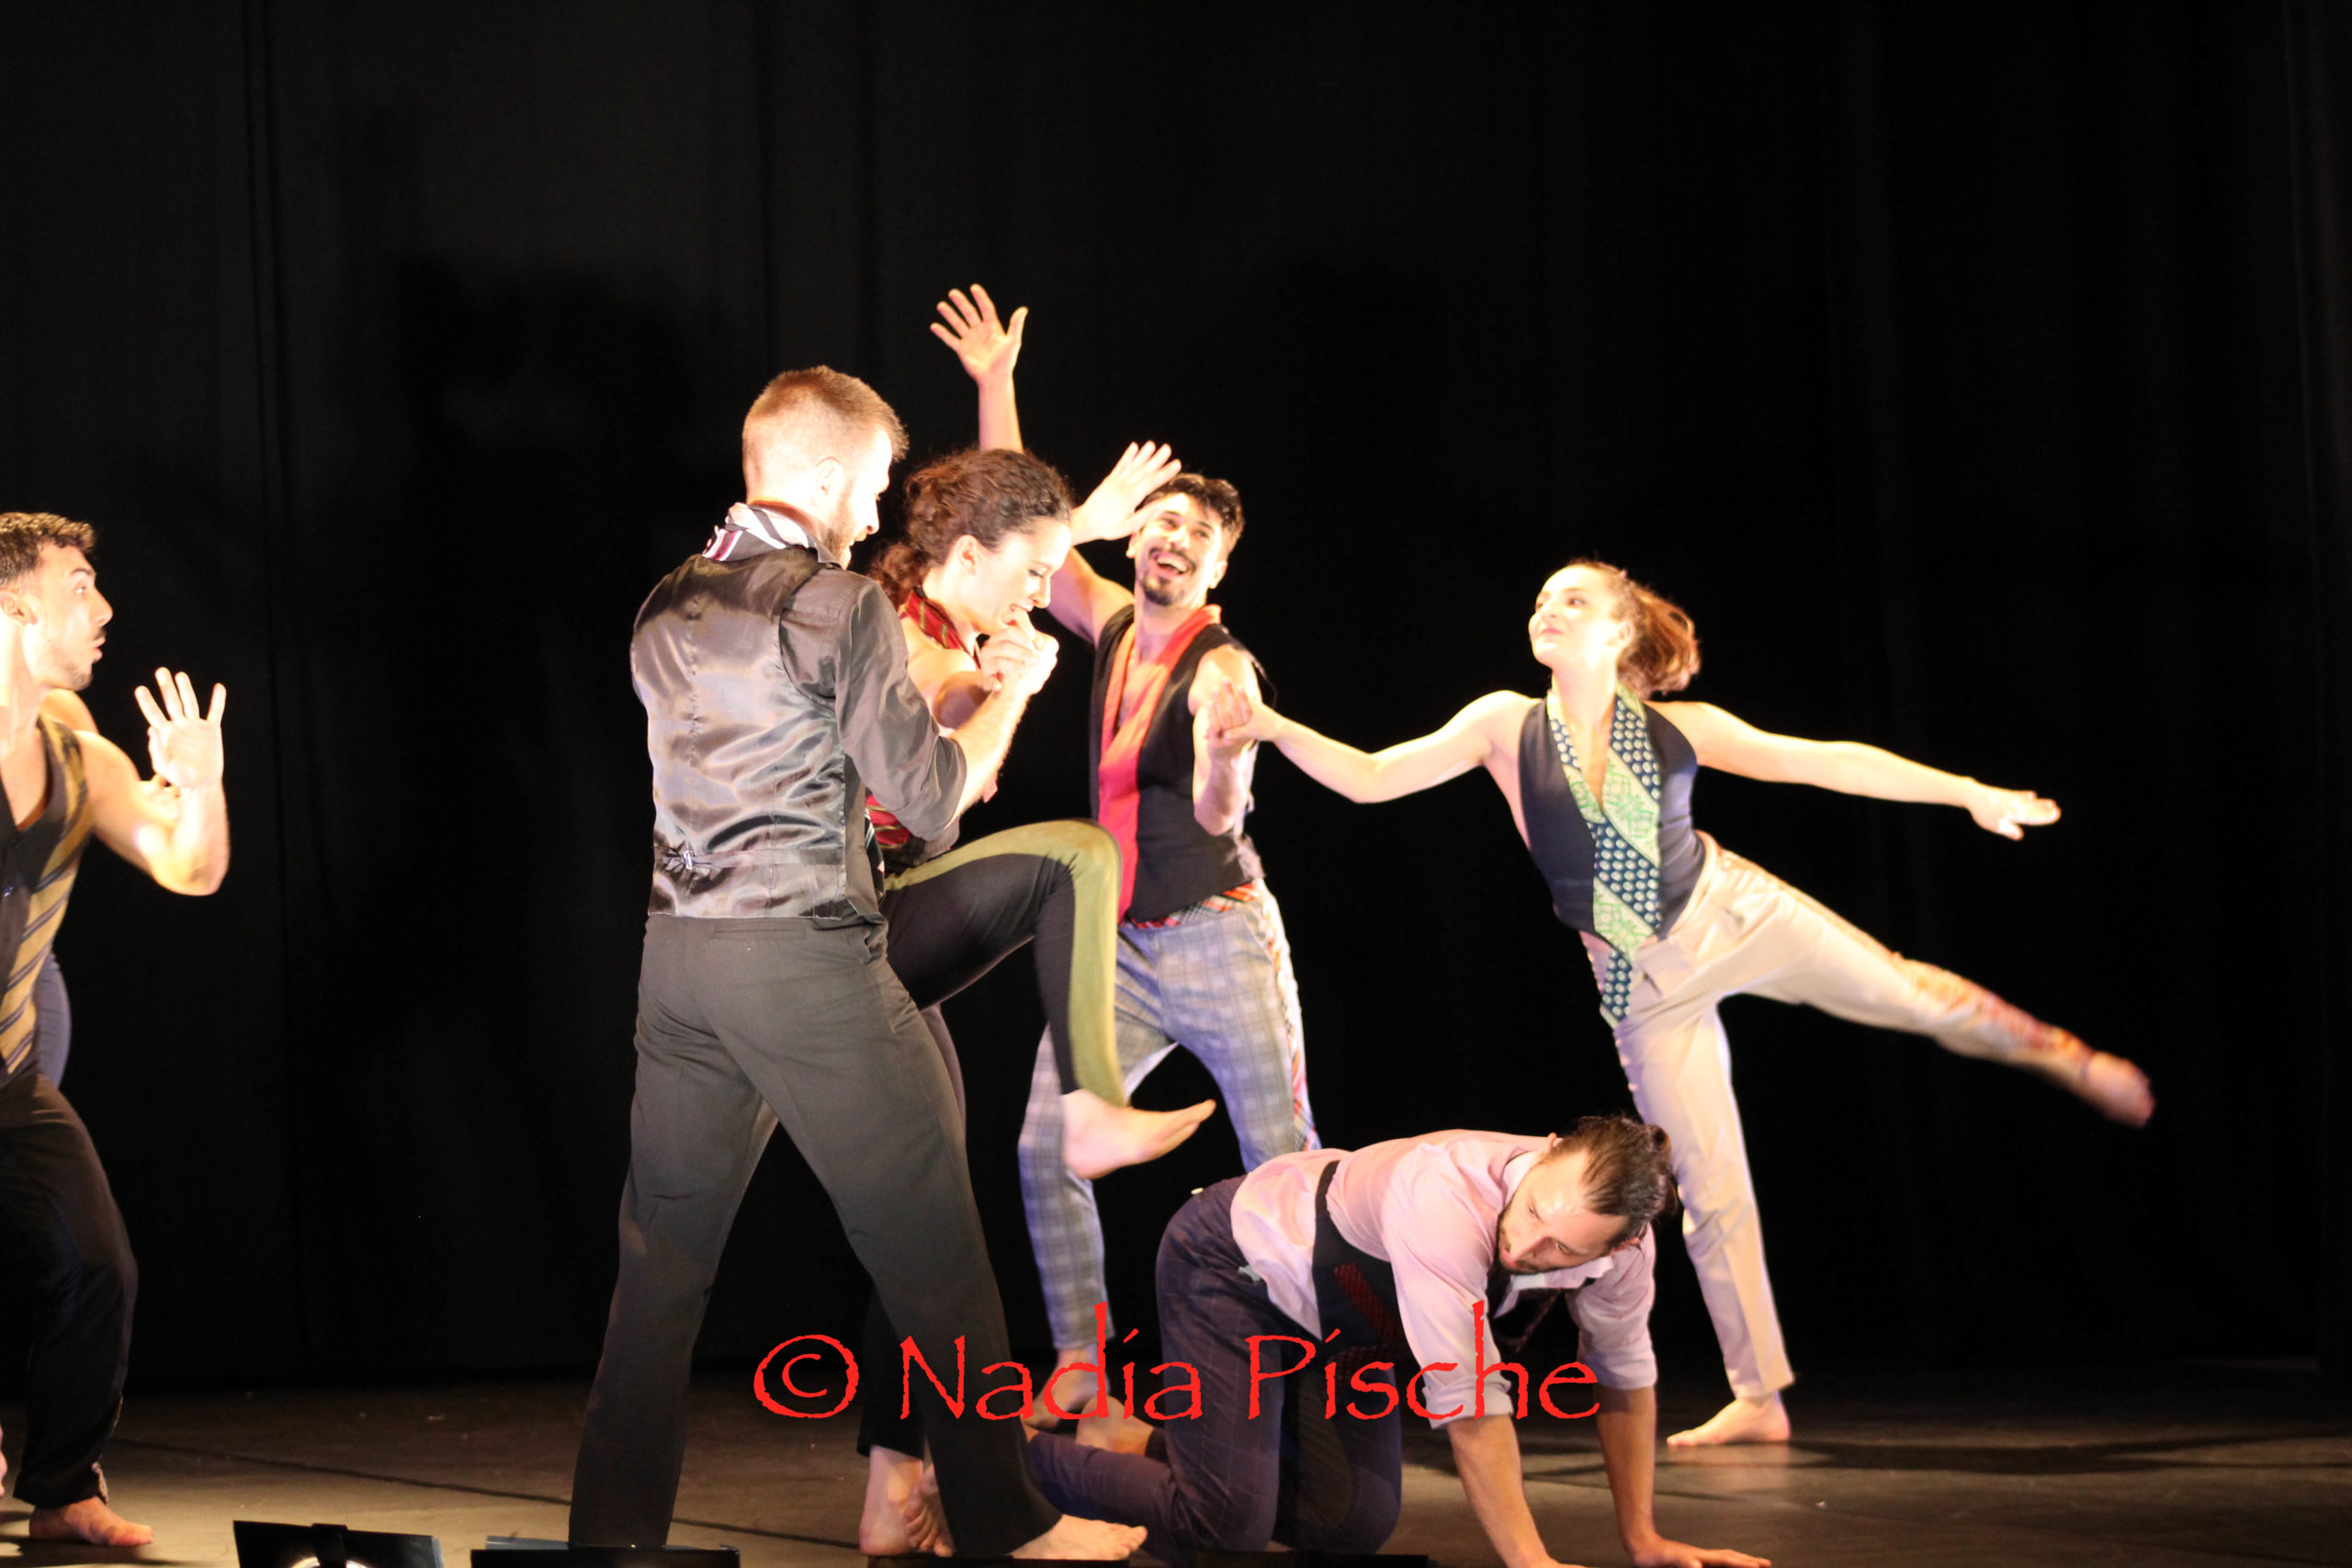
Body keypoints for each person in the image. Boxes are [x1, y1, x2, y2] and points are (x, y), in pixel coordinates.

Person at [1208, 558, 2154, 1448]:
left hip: (1731, 914)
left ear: (1620, 632)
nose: (1548, 609)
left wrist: (1967, 792)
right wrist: (1273, 727)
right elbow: (1374, 778)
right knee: (1706, 1182)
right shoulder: (1504, 724)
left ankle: (2063, 1056)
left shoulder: (1680, 727)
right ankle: (1759, 1396)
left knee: (1907, 991)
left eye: (1574, 600)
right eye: (1542, 599)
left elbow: (1826, 761)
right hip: (1638, 984)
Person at [566, 367, 1141, 1562]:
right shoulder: (837, 605)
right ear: (825, 474)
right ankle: (1008, 1523)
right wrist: (1006, 699)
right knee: (939, 1258)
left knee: (657, 1281)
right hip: (804, 960)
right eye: (873, 484)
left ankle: (609, 1546)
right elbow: (928, 802)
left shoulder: (665, 602)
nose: (878, 511)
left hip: (678, 962)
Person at [927, 287, 1321, 1421]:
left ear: (1216, 572)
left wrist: (1226, 764)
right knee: (1045, 1145)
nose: (1173, 537)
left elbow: (1218, 804)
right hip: (1118, 953)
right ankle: (1084, 1363)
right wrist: (997, 382)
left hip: (1219, 941)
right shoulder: (1104, 623)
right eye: (1163, 519)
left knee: (1283, 1163)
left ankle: (1322, 1375)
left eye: (1200, 534)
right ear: (1135, 535)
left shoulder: (1220, 666)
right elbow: (1024, 526)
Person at [851, 440, 1217, 1553]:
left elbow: (1003, 540)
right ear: (966, 555)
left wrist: (1074, 536)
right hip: (852, 923)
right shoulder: (897, 627)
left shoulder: (944, 611)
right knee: (1073, 857)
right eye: (1031, 573)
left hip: (879, 912)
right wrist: (1000, 689)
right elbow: (943, 762)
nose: (1038, 593)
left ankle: (891, 1489)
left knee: (923, 1216)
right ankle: (1092, 1107)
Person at [1024, 1116, 1769, 1568]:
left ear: (1619, 1245)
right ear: (1549, 1150)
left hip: (1343, 1322)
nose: (1525, 1246)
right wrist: (1530, 1559)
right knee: (1227, 1525)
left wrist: (1643, 1539)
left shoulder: (1628, 1253)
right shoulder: (1443, 1196)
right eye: (1535, 1212)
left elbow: (1624, 1380)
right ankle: (1000, 1458)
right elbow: (1472, 1409)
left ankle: (1136, 1441)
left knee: (1352, 1523)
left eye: (1561, 1250)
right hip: (1234, 1265)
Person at [0, 511, 230, 1547]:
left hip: (8, 1076)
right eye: (79, 587)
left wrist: (202, 786)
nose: (104, 609)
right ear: (16, 607)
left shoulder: (78, 759)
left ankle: (63, 1487)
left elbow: (190, 868)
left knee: (97, 1265)